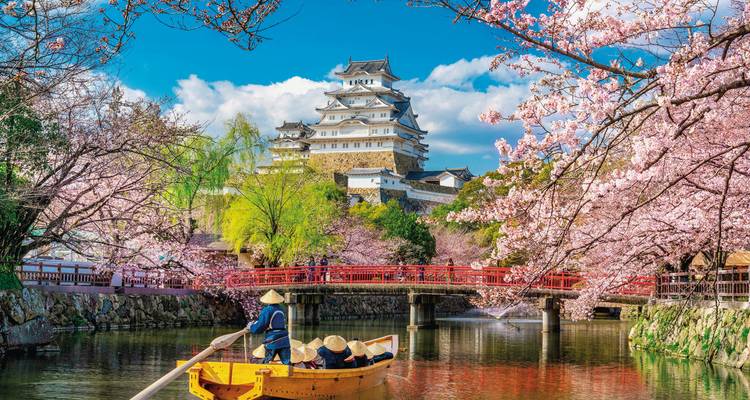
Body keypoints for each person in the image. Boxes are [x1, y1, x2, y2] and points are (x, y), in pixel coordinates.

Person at [248, 289, 291, 365]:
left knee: (267, 361)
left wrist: (251, 327)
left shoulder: (267, 310)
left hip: (273, 339)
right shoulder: (282, 309)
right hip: (284, 338)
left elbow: (261, 325)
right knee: (286, 362)